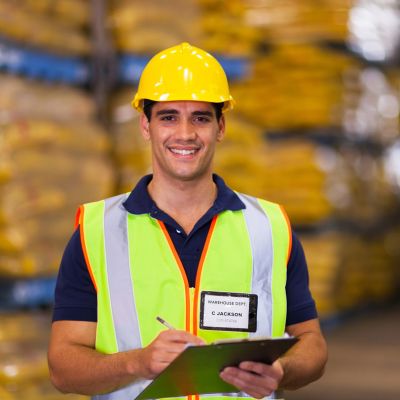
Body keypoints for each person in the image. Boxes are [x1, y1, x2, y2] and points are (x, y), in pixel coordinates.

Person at [48, 42, 327, 400]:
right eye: (168, 117)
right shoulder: (96, 232)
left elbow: (313, 344)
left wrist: (282, 371)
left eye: (200, 117)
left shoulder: (270, 228)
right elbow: (62, 367)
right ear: (145, 125)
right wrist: (138, 363)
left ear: (221, 127)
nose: (185, 134)